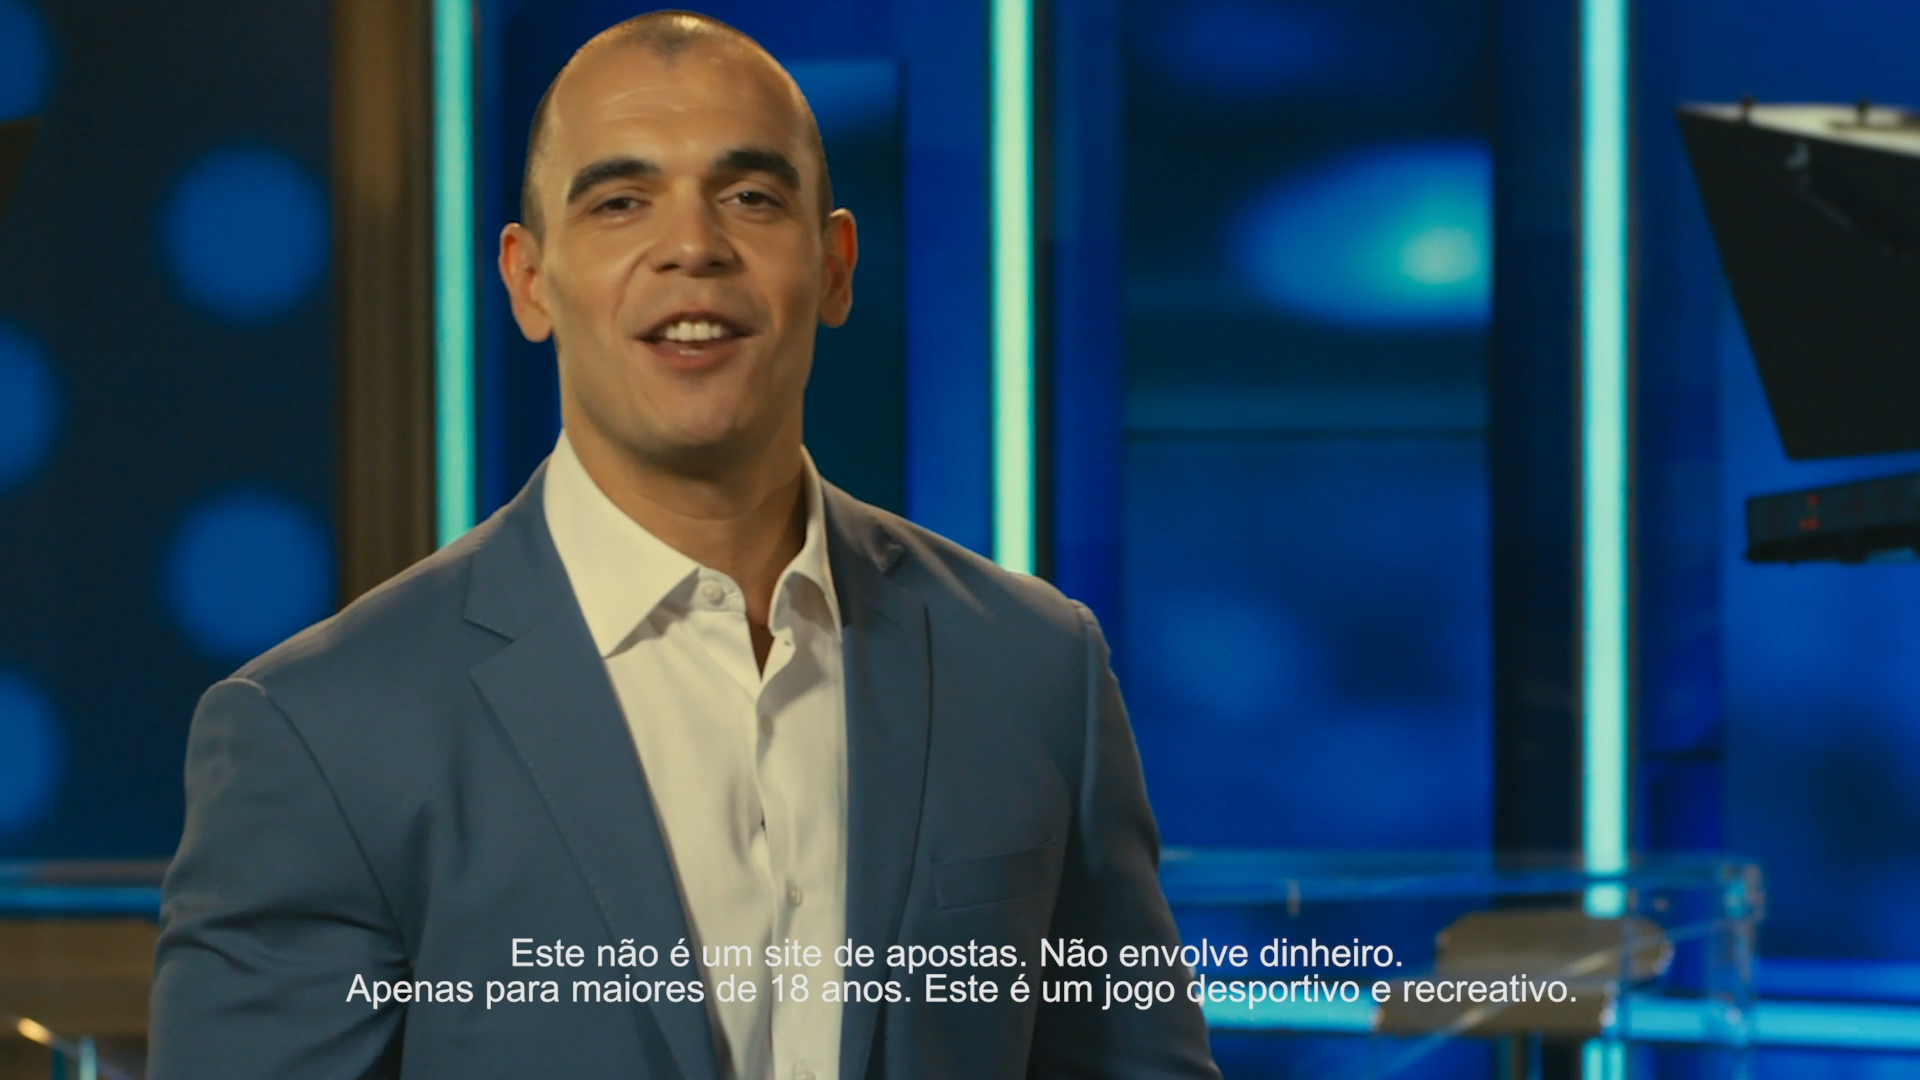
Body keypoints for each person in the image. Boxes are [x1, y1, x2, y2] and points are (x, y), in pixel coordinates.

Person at [149, 10, 1218, 1079]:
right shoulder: (322, 734)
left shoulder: (1032, 669)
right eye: (620, 202)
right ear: (529, 281)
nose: (693, 246)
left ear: (835, 265)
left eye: (751, 198)